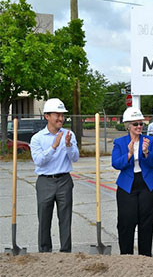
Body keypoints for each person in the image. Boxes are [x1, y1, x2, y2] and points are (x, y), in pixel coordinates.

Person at [30, 98, 79, 253]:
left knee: (65, 219)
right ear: (47, 116)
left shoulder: (69, 134)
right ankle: (45, 252)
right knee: (44, 219)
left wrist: (69, 145)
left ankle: (66, 252)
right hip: (45, 181)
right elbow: (39, 161)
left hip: (64, 180)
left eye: (62, 115)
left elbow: (75, 158)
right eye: (57, 115)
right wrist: (54, 146)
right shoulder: (37, 138)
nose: (60, 118)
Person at [112, 107, 153, 256]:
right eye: (135, 124)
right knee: (126, 222)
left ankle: (145, 256)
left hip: (149, 185)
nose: (139, 127)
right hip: (127, 185)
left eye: (141, 124)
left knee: (146, 223)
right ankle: (126, 256)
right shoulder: (120, 142)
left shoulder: (150, 141)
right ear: (128, 126)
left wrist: (146, 152)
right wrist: (128, 154)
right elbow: (116, 163)